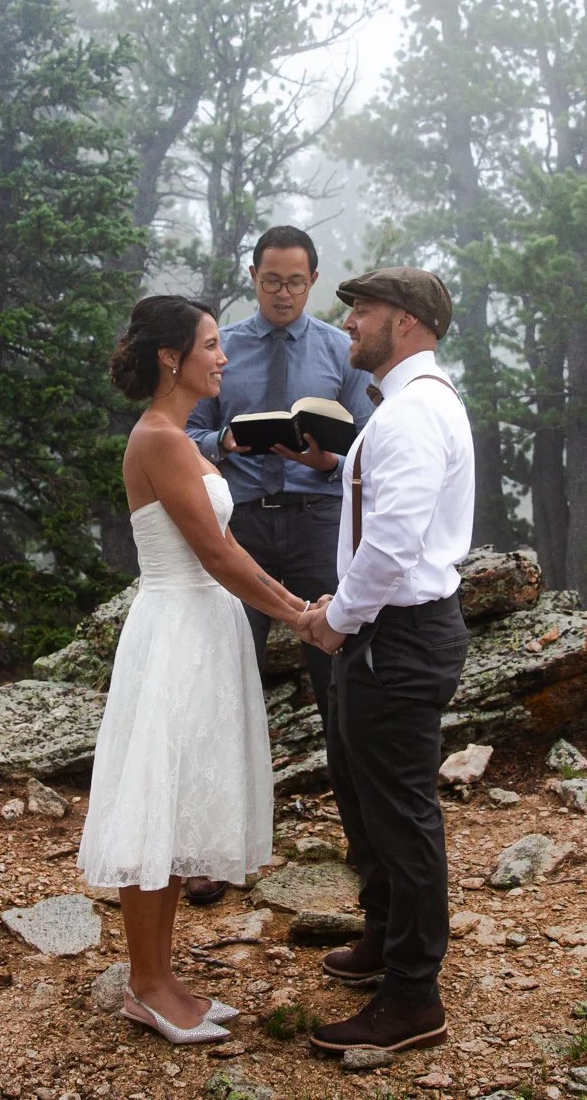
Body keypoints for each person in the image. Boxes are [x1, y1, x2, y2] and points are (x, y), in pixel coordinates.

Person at [79, 295, 311, 1046]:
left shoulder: (177, 436)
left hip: (198, 627)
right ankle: (145, 985)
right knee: (156, 800)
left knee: (174, 808)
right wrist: (299, 612)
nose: (223, 357)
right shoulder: (162, 439)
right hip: (177, 628)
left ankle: (164, 976)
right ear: (170, 358)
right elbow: (217, 553)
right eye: (211, 345)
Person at [297, 267, 474, 1057]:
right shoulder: (409, 407)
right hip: (390, 634)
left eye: (361, 311)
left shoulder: (412, 414)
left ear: (404, 321)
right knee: (363, 796)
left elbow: (395, 542)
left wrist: (335, 620)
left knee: (402, 816)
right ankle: (382, 937)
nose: (349, 325)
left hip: (396, 636)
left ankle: (413, 998)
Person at [183, 226, 374, 905]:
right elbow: (185, 429)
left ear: (313, 280)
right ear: (253, 276)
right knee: (227, 679)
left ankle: (364, 837)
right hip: (244, 521)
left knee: (339, 679)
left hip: (319, 522)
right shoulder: (222, 346)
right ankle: (211, 850)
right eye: (271, 280)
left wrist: (327, 457)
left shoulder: (338, 348)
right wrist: (225, 439)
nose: (283, 292)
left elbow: (364, 441)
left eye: (295, 281)